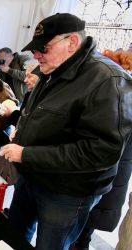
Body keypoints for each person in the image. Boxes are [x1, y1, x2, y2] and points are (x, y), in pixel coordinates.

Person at [0, 13, 132, 250]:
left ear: (72, 43)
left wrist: (27, 154)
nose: (37, 54)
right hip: (32, 178)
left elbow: (100, 152)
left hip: (66, 194)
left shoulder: (108, 80)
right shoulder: (51, 69)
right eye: (36, 48)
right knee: (15, 236)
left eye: (44, 48)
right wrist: (20, 132)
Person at [70, 50, 132, 250]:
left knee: (77, 235)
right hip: (108, 184)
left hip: (100, 182)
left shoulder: (116, 101)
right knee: (82, 235)